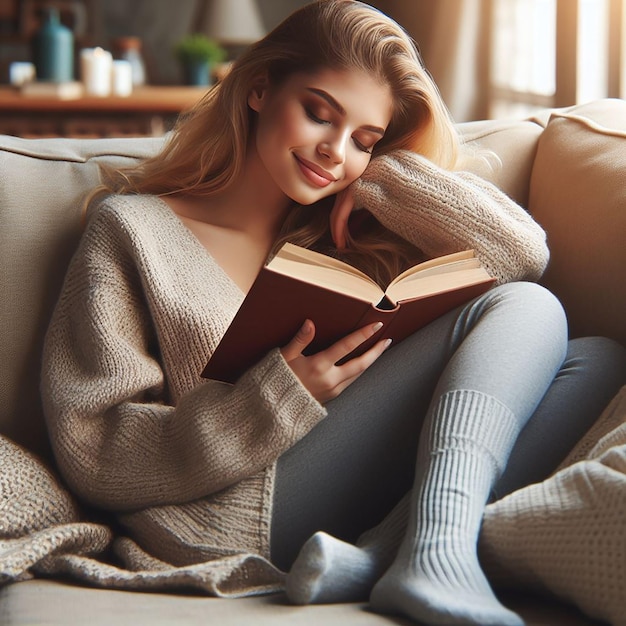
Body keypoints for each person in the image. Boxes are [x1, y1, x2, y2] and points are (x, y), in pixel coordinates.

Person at [40, 1, 626, 625]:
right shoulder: (131, 230)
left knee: (594, 360)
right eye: (319, 114)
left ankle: (379, 559)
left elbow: (522, 253)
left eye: (363, 139)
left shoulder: (340, 231)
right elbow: (93, 448)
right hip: (216, 508)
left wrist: (383, 177)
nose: (333, 151)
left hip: (324, 479)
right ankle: (436, 553)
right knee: (526, 309)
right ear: (260, 87)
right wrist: (273, 396)